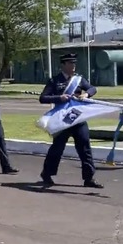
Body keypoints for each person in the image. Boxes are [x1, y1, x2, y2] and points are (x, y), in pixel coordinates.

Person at [38, 53, 103, 189]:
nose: (73, 66)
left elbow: (92, 88)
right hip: (63, 121)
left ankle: (89, 178)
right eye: (70, 64)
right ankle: (47, 173)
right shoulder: (55, 80)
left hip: (77, 118)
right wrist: (59, 98)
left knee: (85, 147)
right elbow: (43, 98)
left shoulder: (79, 80)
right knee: (57, 148)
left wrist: (86, 94)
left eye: (74, 64)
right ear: (63, 65)